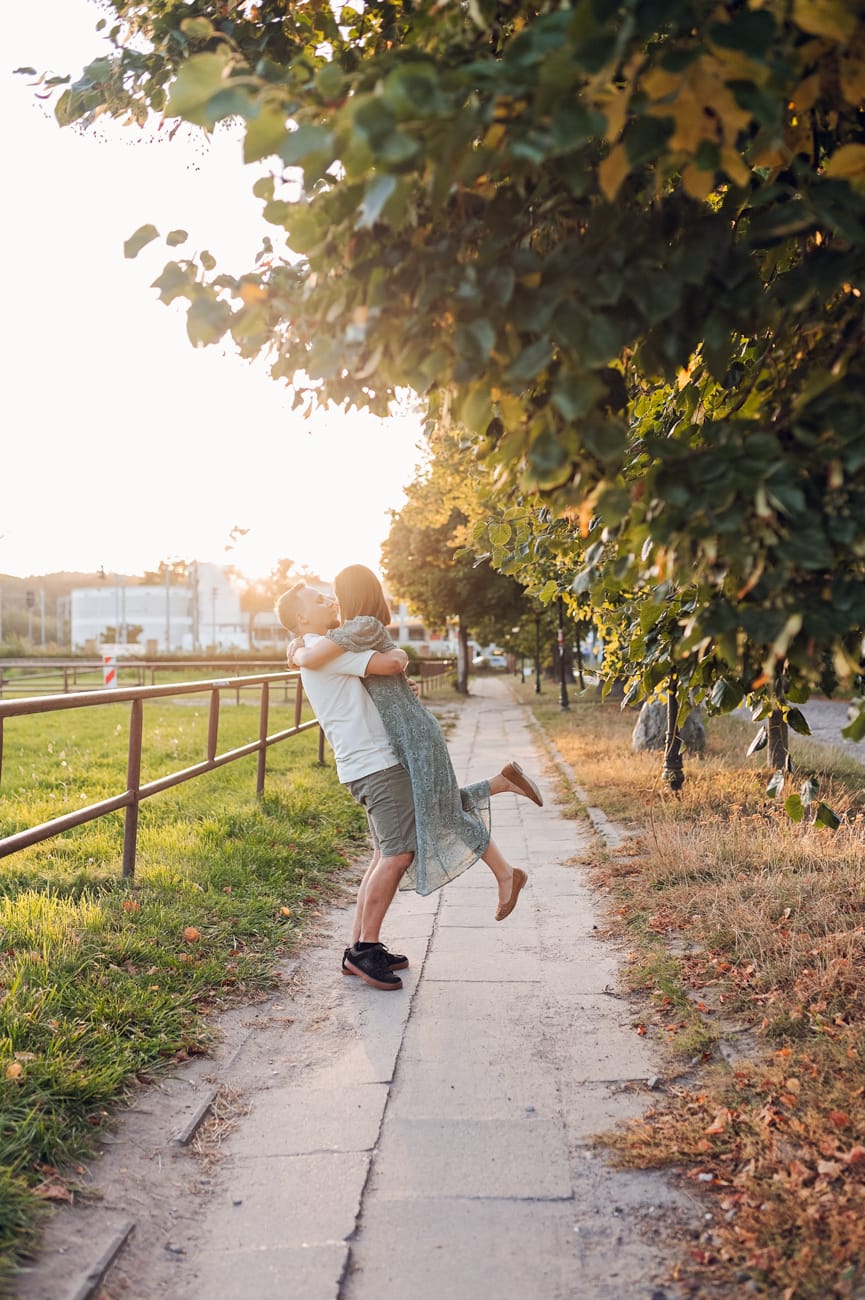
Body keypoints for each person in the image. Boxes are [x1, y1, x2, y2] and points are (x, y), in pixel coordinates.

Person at [284, 566, 542, 958]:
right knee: (415, 831)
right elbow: (382, 665)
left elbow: (385, 668)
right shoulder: (332, 646)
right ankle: (362, 950)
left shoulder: (341, 640)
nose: (330, 600)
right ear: (302, 618)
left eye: (332, 594)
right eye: (320, 599)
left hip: (392, 749)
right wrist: (302, 651)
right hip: (385, 755)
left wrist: (394, 659)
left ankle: (362, 947)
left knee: (418, 825)